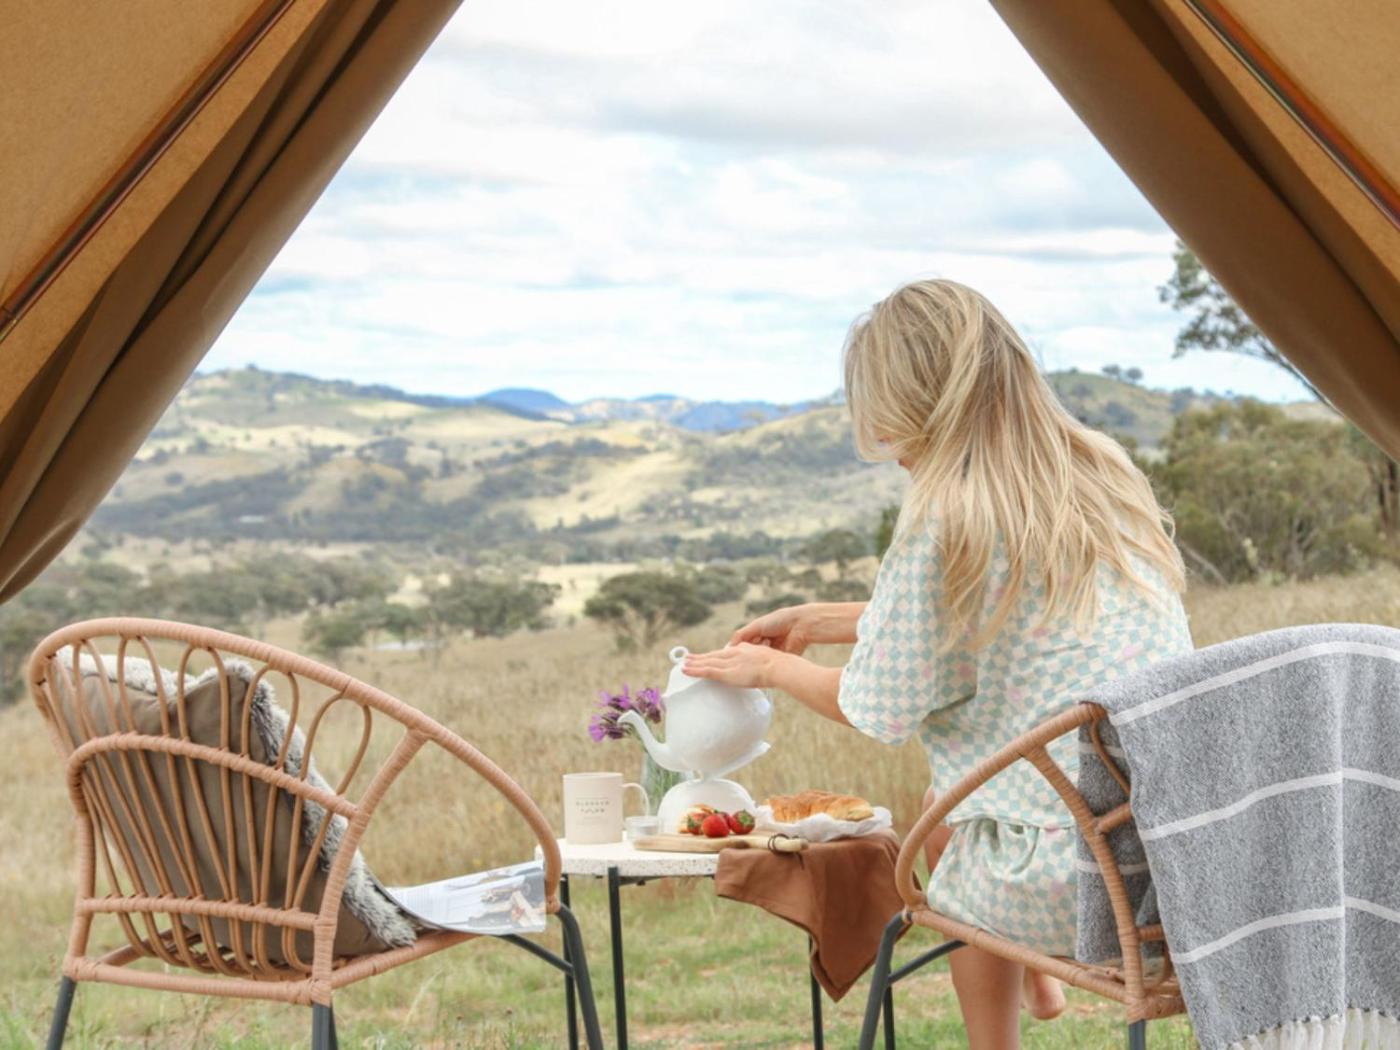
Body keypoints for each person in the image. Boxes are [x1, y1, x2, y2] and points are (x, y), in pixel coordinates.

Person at [683, 278, 1193, 1049]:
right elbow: (1008, 620)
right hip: (1173, 853)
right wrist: (820, 621)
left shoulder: (949, 511)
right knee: (966, 798)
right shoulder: (1096, 474)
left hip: (1072, 883)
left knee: (944, 810)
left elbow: (879, 707)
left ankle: (996, 1039)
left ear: (916, 403)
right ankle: (1039, 985)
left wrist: (769, 671)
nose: (888, 446)